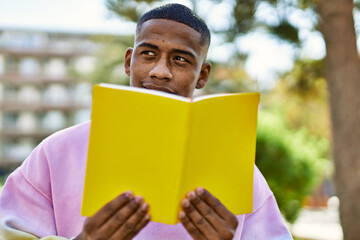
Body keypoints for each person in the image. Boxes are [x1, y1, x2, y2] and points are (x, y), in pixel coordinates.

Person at [0, 3, 292, 240]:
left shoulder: (239, 175)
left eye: (180, 60)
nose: (160, 71)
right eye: (148, 54)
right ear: (129, 61)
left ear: (202, 75)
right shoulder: (57, 153)